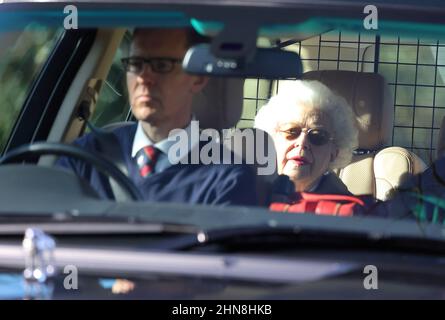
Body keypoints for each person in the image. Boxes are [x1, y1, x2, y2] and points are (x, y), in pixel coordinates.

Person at [57, 27, 257, 206]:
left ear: (198, 79)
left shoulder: (228, 179)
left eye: (161, 65)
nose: (144, 78)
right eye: (135, 64)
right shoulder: (84, 156)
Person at [255, 80, 358, 196]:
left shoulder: (346, 210)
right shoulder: (244, 195)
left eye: (317, 136)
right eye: (291, 131)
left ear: (334, 153)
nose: (302, 143)